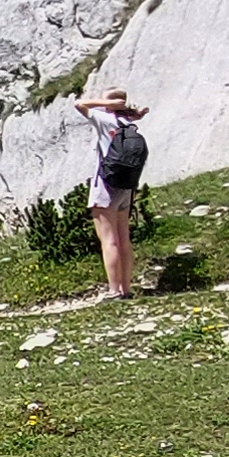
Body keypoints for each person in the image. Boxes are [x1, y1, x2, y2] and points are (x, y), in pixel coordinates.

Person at [75, 92, 149, 301]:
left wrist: (105, 103)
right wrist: (132, 112)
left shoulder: (104, 119)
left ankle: (113, 290)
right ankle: (126, 289)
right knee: (123, 239)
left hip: (106, 186)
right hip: (127, 188)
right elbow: (128, 116)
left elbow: (79, 104)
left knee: (109, 240)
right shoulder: (128, 124)